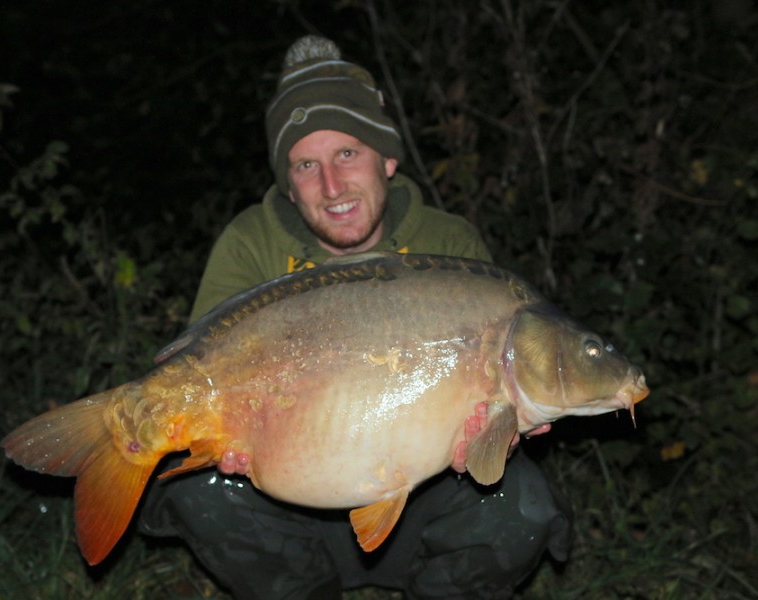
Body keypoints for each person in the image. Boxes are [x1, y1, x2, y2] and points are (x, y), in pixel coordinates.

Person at [139, 35, 571, 600]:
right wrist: (229, 435)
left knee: (524, 504)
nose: (332, 185)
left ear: (387, 158)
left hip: (423, 494)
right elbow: (200, 376)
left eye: (348, 153)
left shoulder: (448, 243)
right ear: (288, 187)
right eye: (306, 165)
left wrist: (501, 432)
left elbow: (490, 399)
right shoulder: (251, 244)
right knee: (200, 489)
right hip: (285, 503)